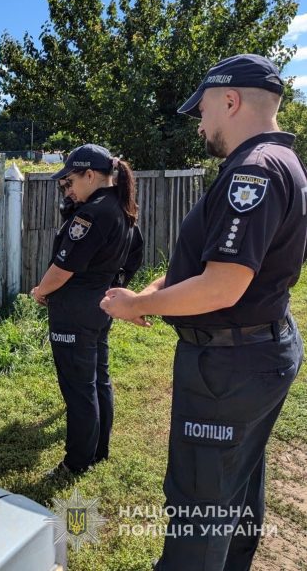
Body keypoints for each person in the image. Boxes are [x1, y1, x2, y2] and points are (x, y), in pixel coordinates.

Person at [100, 54, 307, 571]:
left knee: (201, 497)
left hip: (226, 370)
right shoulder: (282, 162)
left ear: (231, 101)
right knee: (237, 477)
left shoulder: (252, 172)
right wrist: (165, 285)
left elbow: (224, 284)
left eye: (204, 111)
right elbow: (231, 262)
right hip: (257, 351)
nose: (200, 124)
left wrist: (138, 304)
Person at [29, 143, 140, 476]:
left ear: (90, 174)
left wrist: (40, 291)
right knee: (97, 380)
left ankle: (76, 462)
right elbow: (133, 256)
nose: (69, 188)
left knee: (79, 389)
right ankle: (98, 450)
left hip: (75, 310)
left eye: (72, 180)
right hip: (99, 305)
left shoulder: (93, 212)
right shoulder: (121, 207)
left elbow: (64, 268)